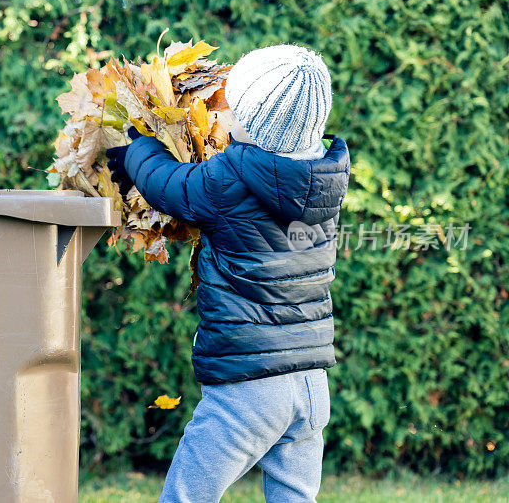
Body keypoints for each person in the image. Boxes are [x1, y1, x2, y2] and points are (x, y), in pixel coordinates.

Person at [106, 44, 350, 502]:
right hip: (311, 382)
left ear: (253, 127)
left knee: (187, 495)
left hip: (249, 387)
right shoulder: (325, 181)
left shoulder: (227, 179)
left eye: (231, 108)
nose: (222, 116)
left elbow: (171, 188)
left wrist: (137, 153)